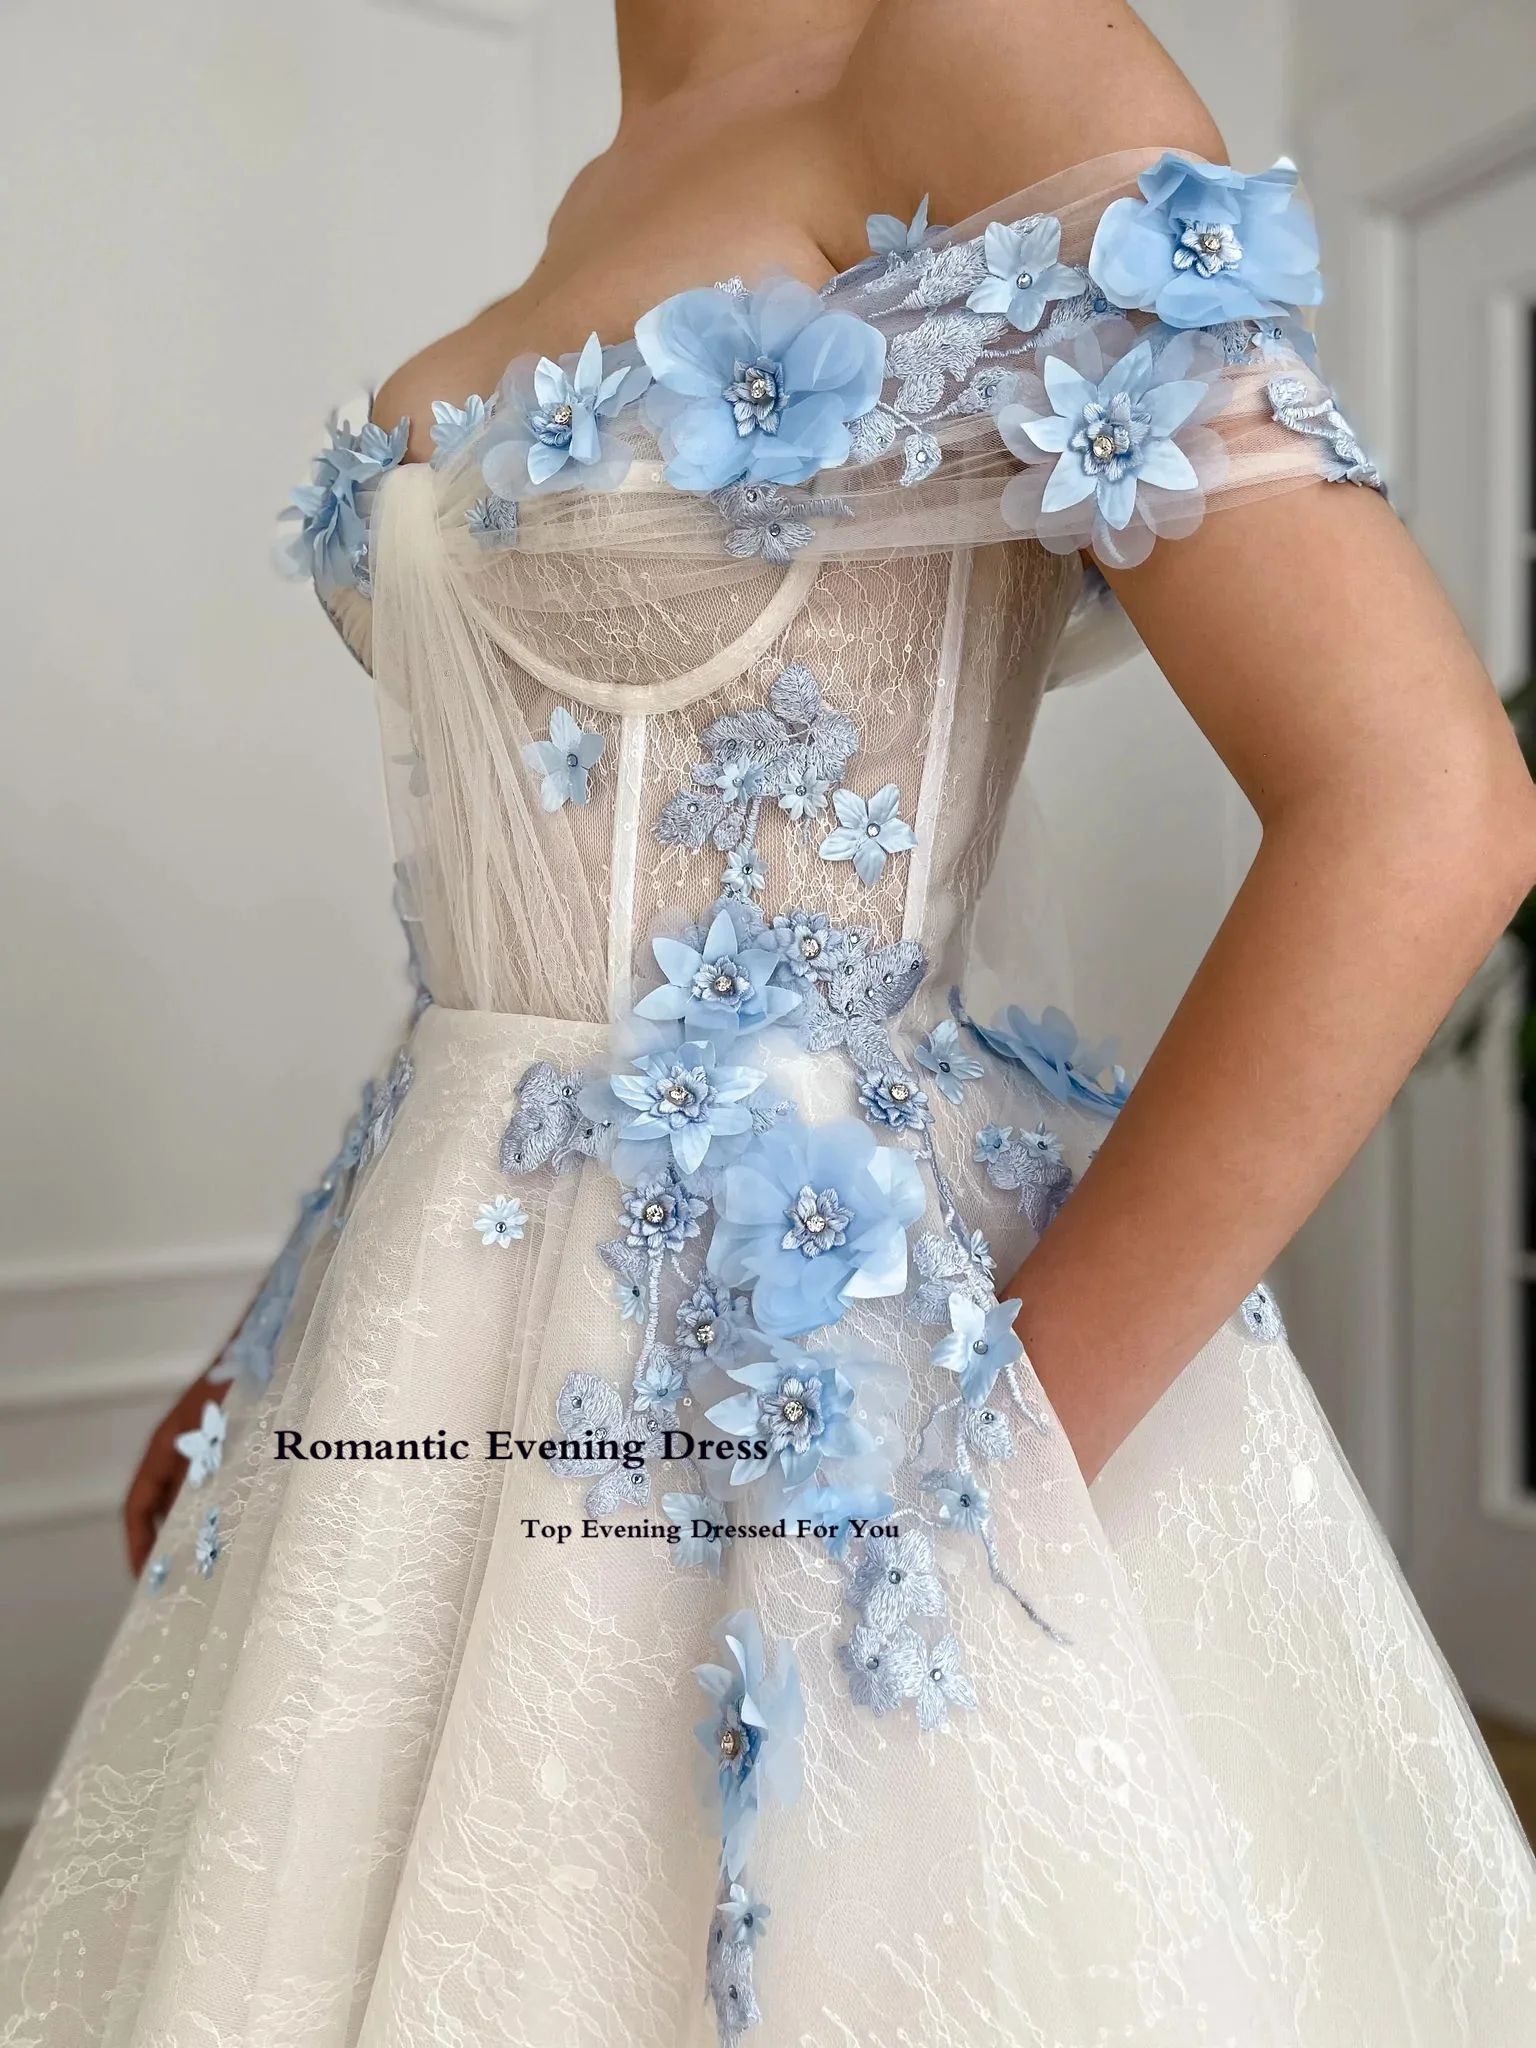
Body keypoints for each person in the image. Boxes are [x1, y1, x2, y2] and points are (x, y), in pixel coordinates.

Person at [6, 3, 1535, 2042]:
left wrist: (979, 1476)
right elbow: (528, 958)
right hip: (418, 1357)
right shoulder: (615, 163)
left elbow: (1428, 807)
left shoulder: (985, 51)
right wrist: (273, 1332)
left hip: (803, 1374)